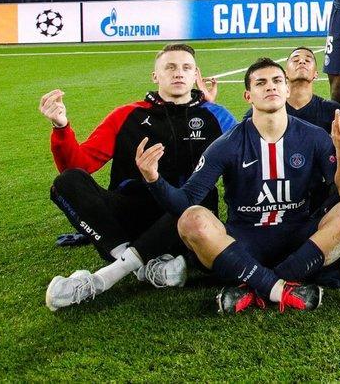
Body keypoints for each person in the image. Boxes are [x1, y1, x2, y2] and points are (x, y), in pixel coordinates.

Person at [135, 58, 340, 313]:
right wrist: (153, 179)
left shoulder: (314, 137)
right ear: (248, 95)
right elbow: (185, 202)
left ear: (287, 90)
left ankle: (255, 286)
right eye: (261, 83)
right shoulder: (227, 144)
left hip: (299, 238)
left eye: (277, 81)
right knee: (190, 220)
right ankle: (281, 289)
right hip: (244, 241)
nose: (271, 87)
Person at [42, 43, 237, 311]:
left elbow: (246, 164)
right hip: (129, 215)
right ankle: (140, 266)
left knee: (196, 201)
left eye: (186, 68)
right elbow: (78, 164)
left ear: (196, 76)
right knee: (67, 181)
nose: (178, 73)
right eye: (170, 67)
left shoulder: (217, 117)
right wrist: (61, 127)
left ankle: (105, 277)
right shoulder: (126, 115)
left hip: (180, 222)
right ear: (155, 76)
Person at [243, 46, 340, 127]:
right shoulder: (262, 111)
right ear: (285, 73)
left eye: (308, 60)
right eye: (295, 60)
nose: (302, 62)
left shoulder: (332, 111)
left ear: (316, 74)